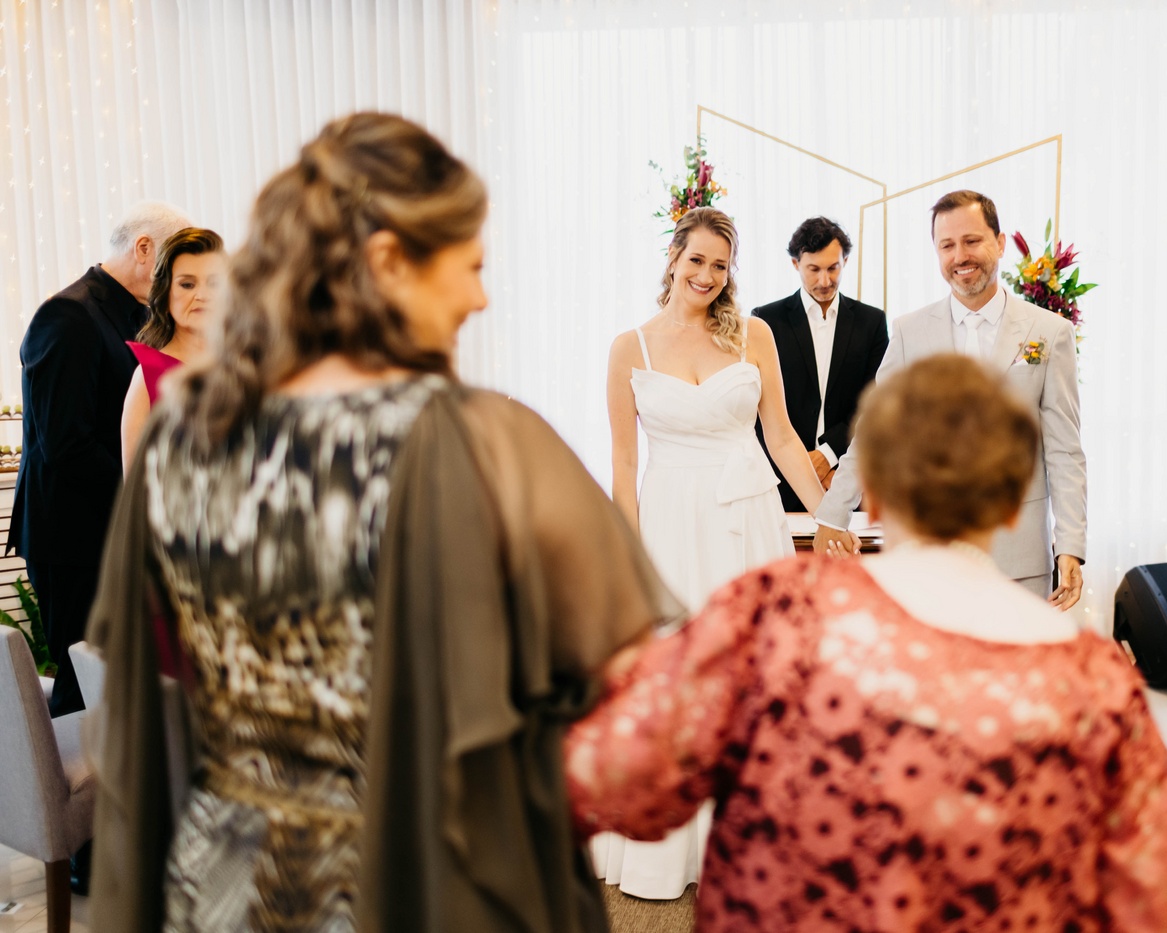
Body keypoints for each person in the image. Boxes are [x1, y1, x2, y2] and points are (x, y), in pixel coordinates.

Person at [84, 112, 679, 933]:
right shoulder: (483, 444)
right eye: (469, 267)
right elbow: (637, 768)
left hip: (231, 883)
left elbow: (152, 719)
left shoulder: (181, 435)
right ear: (390, 262)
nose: (479, 296)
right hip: (415, 886)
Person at [568, 354, 1167, 932]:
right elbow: (1150, 912)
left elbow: (617, 778)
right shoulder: (1098, 683)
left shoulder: (774, 616)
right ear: (1013, 505)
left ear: (872, 490)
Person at [599, 206, 828, 898]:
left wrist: (829, 518)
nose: (706, 275)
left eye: (720, 265)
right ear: (673, 258)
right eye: (696, 260)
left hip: (747, 519)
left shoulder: (753, 333)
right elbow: (623, 462)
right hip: (670, 522)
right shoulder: (630, 348)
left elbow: (782, 437)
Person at [815, 190, 1088, 609]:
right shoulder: (909, 332)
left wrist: (1069, 545)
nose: (960, 256)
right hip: (929, 558)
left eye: (972, 240)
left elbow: (1064, 449)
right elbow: (873, 433)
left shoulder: (1050, 332)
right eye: (947, 245)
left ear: (1000, 243)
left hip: (1020, 560)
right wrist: (833, 515)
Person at [7, 200, 190, 717]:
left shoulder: (143, 317)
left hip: (111, 527)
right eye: (176, 264)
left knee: (127, 674)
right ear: (145, 249)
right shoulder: (68, 316)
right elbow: (67, 444)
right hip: (73, 537)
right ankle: (72, 771)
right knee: (87, 676)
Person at [753, 216, 888, 510]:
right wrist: (801, 466)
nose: (825, 281)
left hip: (848, 478)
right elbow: (757, 409)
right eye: (814, 269)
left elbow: (874, 403)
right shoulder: (765, 320)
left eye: (833, 268)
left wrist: (828, 456)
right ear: (795, 264)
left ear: (845, 261)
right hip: (778, 485)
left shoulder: (872, 322)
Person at [120, 227, 227, 470]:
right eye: (187, 284)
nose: (202, 295)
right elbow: (136, 485)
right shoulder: (148, 376)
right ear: (165, 293)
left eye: (214, 283)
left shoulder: (248, 365)